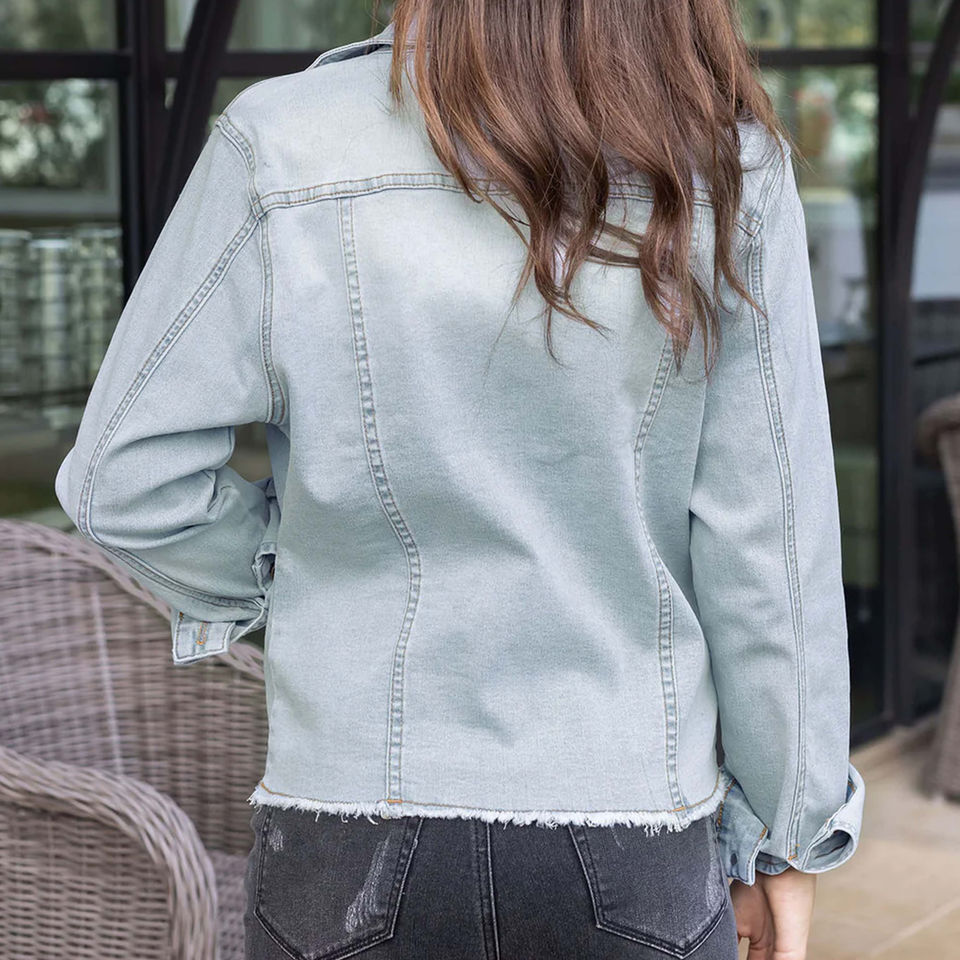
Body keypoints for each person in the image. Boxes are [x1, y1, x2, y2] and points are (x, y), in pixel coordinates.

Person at [55, 2, 865, 958]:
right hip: (632, 814)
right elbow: (772, 553)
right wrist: (787, 837)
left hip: (348, 820)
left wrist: (296, 563)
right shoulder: (725, 164)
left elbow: (122, 478)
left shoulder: (280, 143)